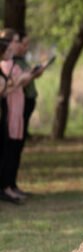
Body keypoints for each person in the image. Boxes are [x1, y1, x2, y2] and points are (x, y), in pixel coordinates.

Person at [0, 29, 36, 204]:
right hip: (9, 112)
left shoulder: (13, 63)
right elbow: (5, 90)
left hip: (14, 110)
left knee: (13, 149)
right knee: (8, 151)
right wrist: (18, 82)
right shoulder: (6, 66)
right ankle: (5, 187)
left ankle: (10, 185)